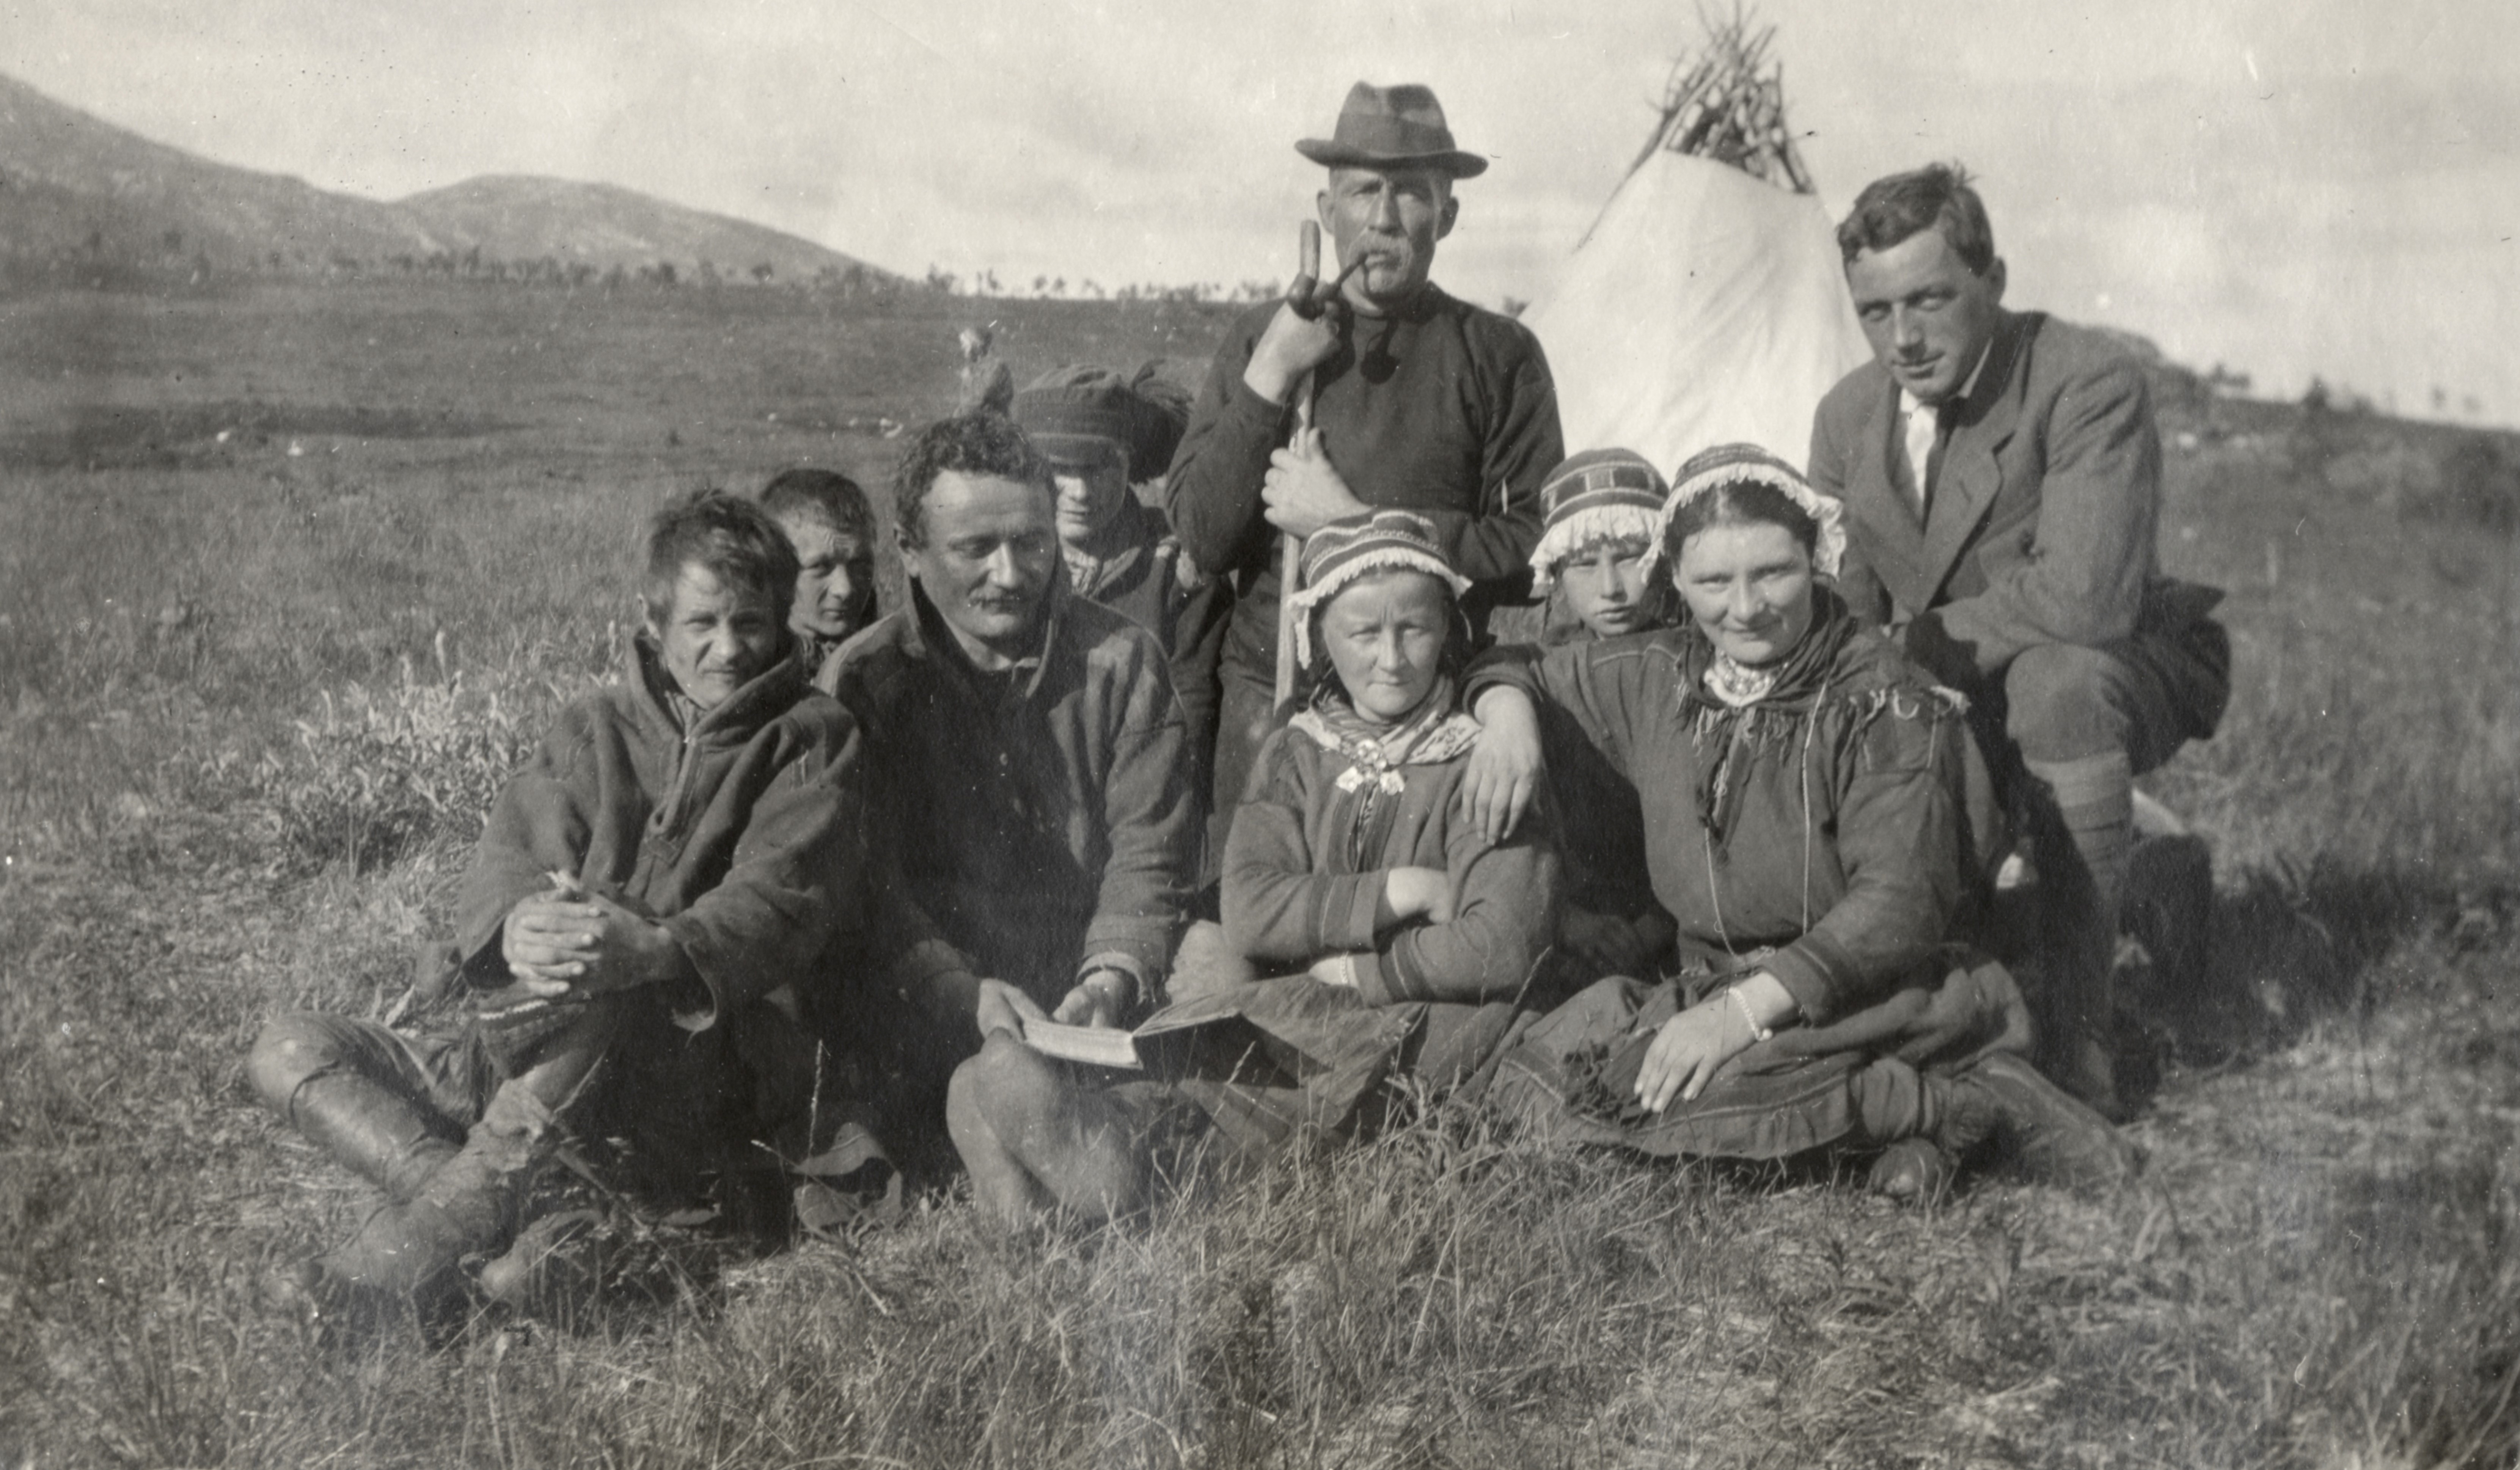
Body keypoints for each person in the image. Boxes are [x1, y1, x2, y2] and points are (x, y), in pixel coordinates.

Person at [248, 490, 880, 1316]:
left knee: (531, 1267)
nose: (728, 650)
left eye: (752, 625)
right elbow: (509, 853)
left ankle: (399, 1264)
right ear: (654, 624)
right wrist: (518, 926)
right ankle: (478, 1199)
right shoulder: (596, 726)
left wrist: (654, 950)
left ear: (781, 624)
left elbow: (782, 895)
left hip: (681, 1078)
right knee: (289, 1047)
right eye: (702, 625)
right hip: (520, 1045)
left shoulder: (811, 737)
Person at [1471, 445, 2133, 1199]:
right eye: (1714, 581)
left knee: (1709, 1094)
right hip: (1713, 980)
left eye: (1773, 573)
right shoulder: (1660, 672)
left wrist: (1734, 1020)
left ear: (1817, 561)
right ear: (1676, 580)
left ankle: (1963, 1102)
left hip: (1874, 994)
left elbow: (1898, 907)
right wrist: (1506, 717)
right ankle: (1907, 1143)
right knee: (1542, 1086)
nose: (1745, 608)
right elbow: (1509, 665)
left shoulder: (1879, 699)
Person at [947, 510, 1562, 1226]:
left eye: (1414, 630)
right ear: (1321, 641)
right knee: (1218, 1027)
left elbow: (1500, 943)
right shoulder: (1298, 751)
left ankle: (1123, 1169)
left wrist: (1351, 971)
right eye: (1363, 633)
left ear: (1447, 631)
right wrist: (1399, 891)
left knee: (1276, 1092)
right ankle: (1071, 1149)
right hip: (1301, 1000)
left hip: (1424, 1016)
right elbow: (1251, 908)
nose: (1390, 659)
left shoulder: (1480, 760)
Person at [1808, 163, 2230, 1114]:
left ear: (1994, 279)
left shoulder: (2085, 381)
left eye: (1930, 299)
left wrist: (1901, 654)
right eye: (1875, 312)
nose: (1903, 338)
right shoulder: (1844, 417)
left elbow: (2083, 600)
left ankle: (2084, 1032)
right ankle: (2149, 874)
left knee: (2056, 683)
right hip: (1951, 683)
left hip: (2116, 660)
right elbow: (1846, 606)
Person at [1166, 81, 1563, 865]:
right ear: (1327, 210)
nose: (1383, 219)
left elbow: (1531, 548)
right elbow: (1203, 539)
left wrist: (1354, 524)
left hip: (1426, 695)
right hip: (1269, 697)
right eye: (1362, 192)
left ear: (1446, 216)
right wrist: (1273, 374)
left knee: (1408, 932)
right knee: (1260, 929)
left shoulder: (1498, 353)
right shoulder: (1266, 339)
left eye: (1410, 193)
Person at [819, 413, 1202, 1121]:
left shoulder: (1122, 659)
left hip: (1080, 982)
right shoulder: (863, 680)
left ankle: (1082, 1122)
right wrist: (955, 990)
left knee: (1214, 966)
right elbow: (863, 877)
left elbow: (1150, 847)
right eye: (975, 548)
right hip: (926, 982)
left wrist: (1111, 975)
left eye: (1031, 543)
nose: (1010, 573)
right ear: (908, 550)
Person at [1010, 364, 1230, 803]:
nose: (1080, 492)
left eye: (1100, 468)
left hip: (1146, 791)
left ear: (1130, 463)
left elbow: (1194, 711)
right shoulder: (1006, 564)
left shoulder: (1174, 568)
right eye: (1058, 468)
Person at [1512, 448, 1683, 986]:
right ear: (1558, 573)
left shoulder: (1698, 657)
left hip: (1682, 919)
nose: (1611, 588)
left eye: (1631, 557)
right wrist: (1570, 921)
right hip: (1580, 927)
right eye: (1586, 565)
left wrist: (1661, 924)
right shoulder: (1539, 673)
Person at [761, 466, 879, 669]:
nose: (845, 589)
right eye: (821, 567)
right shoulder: (752, 670)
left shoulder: (894, 657)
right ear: (775, 570)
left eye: (860, 566)